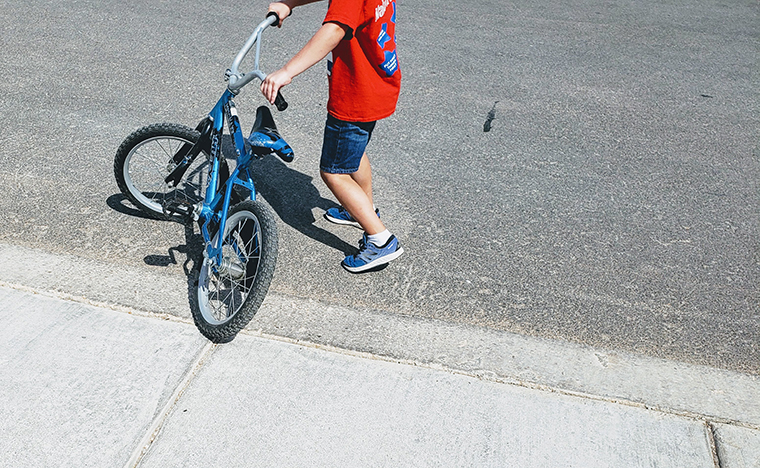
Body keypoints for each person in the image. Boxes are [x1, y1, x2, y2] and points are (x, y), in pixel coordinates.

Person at [260, 0, 403, 273]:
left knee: (334, 172)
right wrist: (288, 4)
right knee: (354, 153)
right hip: (375, 82)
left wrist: (286, 72)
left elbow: (335, 29)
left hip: (354, 92)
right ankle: (360, 209)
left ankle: (380, 240)